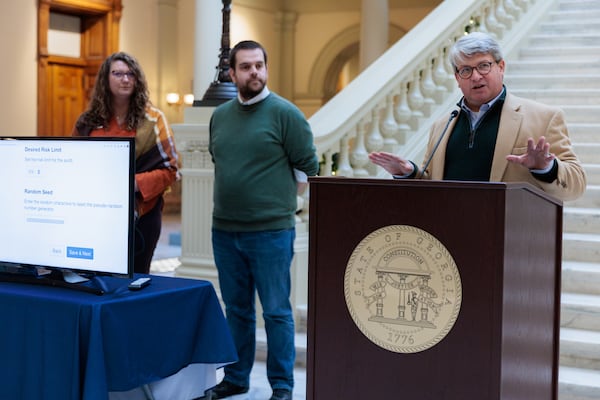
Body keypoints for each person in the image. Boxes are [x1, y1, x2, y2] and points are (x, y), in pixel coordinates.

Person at [207, 40, 319, 400]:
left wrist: (284, 203)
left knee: (275, 313)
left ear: (266, 69)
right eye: (246, 67)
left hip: (271, 233)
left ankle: (283, 387)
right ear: (232, 73)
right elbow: (220, 161)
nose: (254, 72)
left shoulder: (285, 114)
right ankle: (237, 377)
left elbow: (309, 166)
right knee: (236, 310)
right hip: (224, 231)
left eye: (259, 65)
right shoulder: (219, 117)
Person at [369, 31, 586, 202]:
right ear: (457, 78)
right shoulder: (441, 126)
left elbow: (576, 186)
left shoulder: (544, 118)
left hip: (510, 242)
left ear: (501, 67)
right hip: (449, 239)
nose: (475, 76)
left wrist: (547, 168)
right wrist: (409, 173)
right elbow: (433, 186)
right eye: (465, 70)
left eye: (484, 66)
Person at [72, 52, 179, 274]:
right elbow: (72, 165)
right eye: (118, 73)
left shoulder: (154, 120)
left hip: (142, 216)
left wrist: (134, 183)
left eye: (131, 74)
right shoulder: (87, 121)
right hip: (95, 214)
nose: (125, 79)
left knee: (135, 278)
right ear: (105, 79)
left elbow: (171, 170)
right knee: (96, 275)